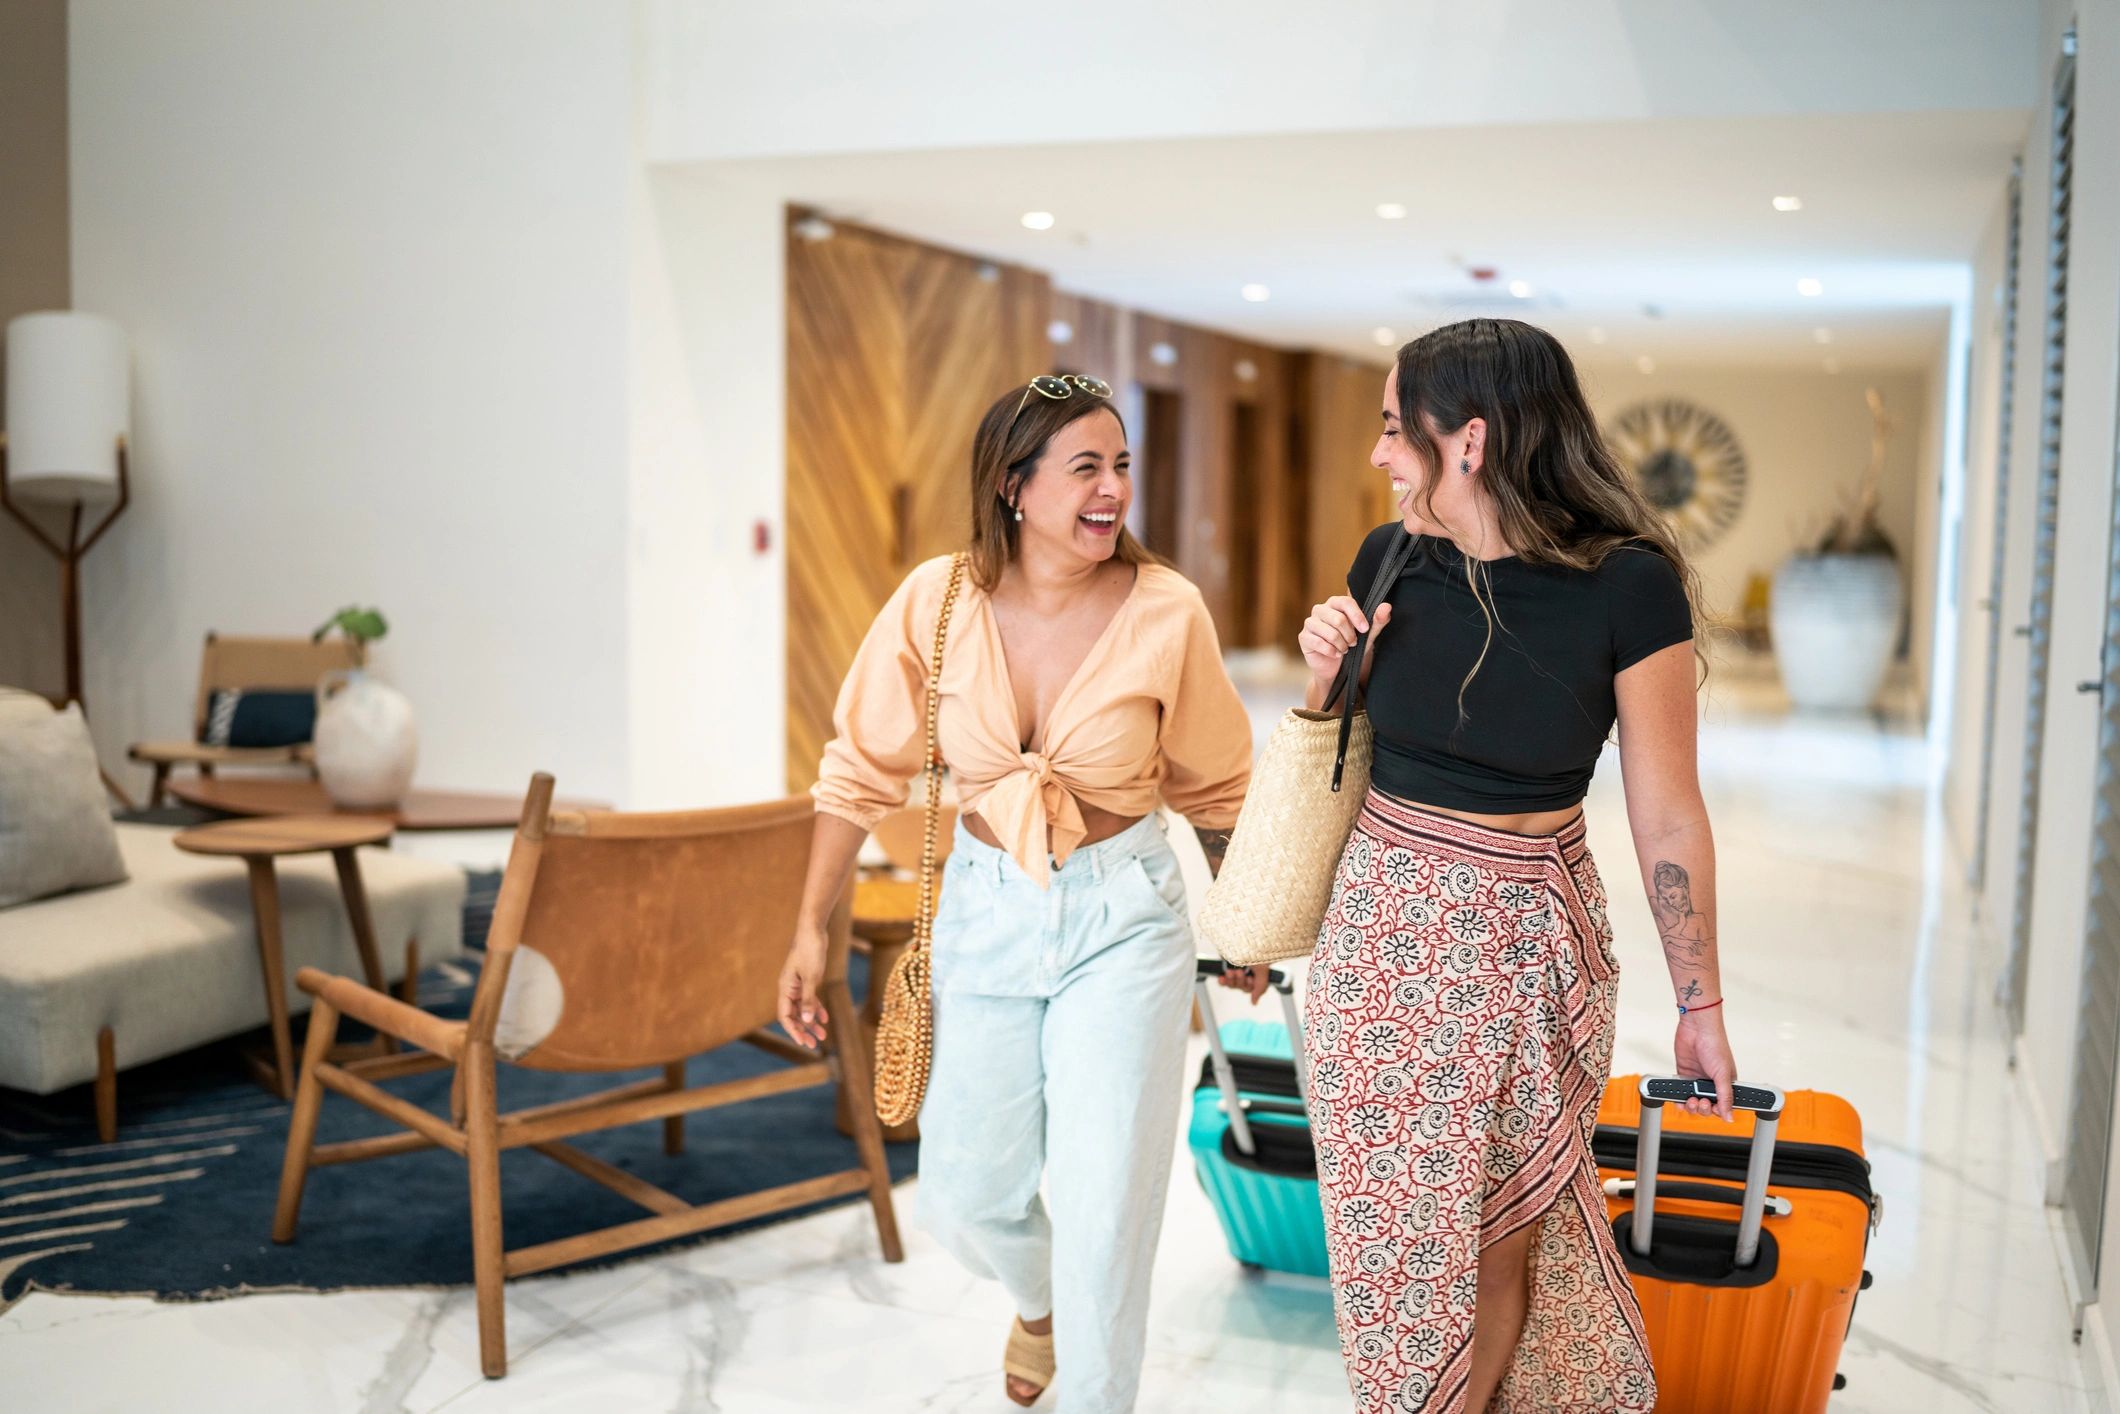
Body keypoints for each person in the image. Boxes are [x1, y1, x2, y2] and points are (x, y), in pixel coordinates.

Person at [778, 374, 1257, 1412]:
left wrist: (1249, 920)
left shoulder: (1165, 609)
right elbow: (855, 771)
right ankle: (1036, 1303)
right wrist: (807, 930)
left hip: (1124, 915)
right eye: (1085, 467)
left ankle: (1092, 1382)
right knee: (964, 1191)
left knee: (1104, 1210)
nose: (1111, 490)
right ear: (1013, 485)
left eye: (1120, 465)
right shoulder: (936, 600)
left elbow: (1218, 784)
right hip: (985, 903)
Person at [1296, 319, 1737, 1412]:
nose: (1379, 453)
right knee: (1382, 1242)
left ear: (1472, 440)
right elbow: (1331, 757)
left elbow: (1668, 813)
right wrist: (1320, 678)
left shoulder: (1626, 586)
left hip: (1524, 943)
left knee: (1497, 1231)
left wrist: (1701, 1002)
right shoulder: (1387, 555)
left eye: (1397, 428)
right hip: (1377, 944)